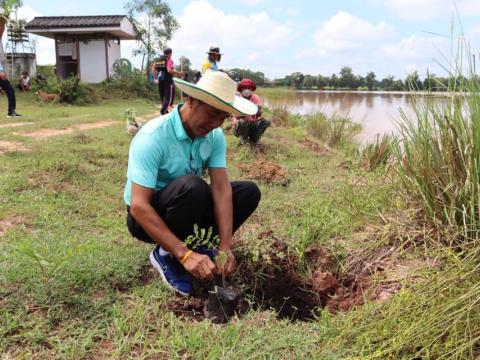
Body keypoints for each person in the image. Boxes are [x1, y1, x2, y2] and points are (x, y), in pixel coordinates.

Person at [124, 70, 260, 296]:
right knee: (193, 186)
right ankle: (168, 254)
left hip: (187, 204)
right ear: (191, 100)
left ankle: (202, 247)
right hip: (146, 219)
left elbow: (220, 188)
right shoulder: (153, 137)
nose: (216, 124)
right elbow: (138, 206)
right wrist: (183, 254)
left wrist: (225, 245)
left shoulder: (214, 137)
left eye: (223, 117)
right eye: (213, 113)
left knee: (248, 192)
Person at [233, 78, 270, 145]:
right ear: (241, 89)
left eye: (249, 88)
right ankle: (244, 139)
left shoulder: (256, 98)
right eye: (244, 88)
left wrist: (258, 112)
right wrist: (244, 114)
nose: (246, 91)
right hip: (240, 125)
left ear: (251, 89)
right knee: (243, 122)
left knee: (266, 121)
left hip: (252, 123)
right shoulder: (237, 98)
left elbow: (258, 115)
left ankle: (255, 139)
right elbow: (235, 115)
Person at [152, 48, 184, 115]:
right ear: (170, 53)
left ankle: (165, 111)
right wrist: (179, 73)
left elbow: (153, 68)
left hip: (160, 81)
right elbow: (169, 70)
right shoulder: (169, 60)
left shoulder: (158, 60)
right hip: (167, 81)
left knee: (163, 98)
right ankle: (163, 111)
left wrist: (155, 78)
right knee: (167, 98)